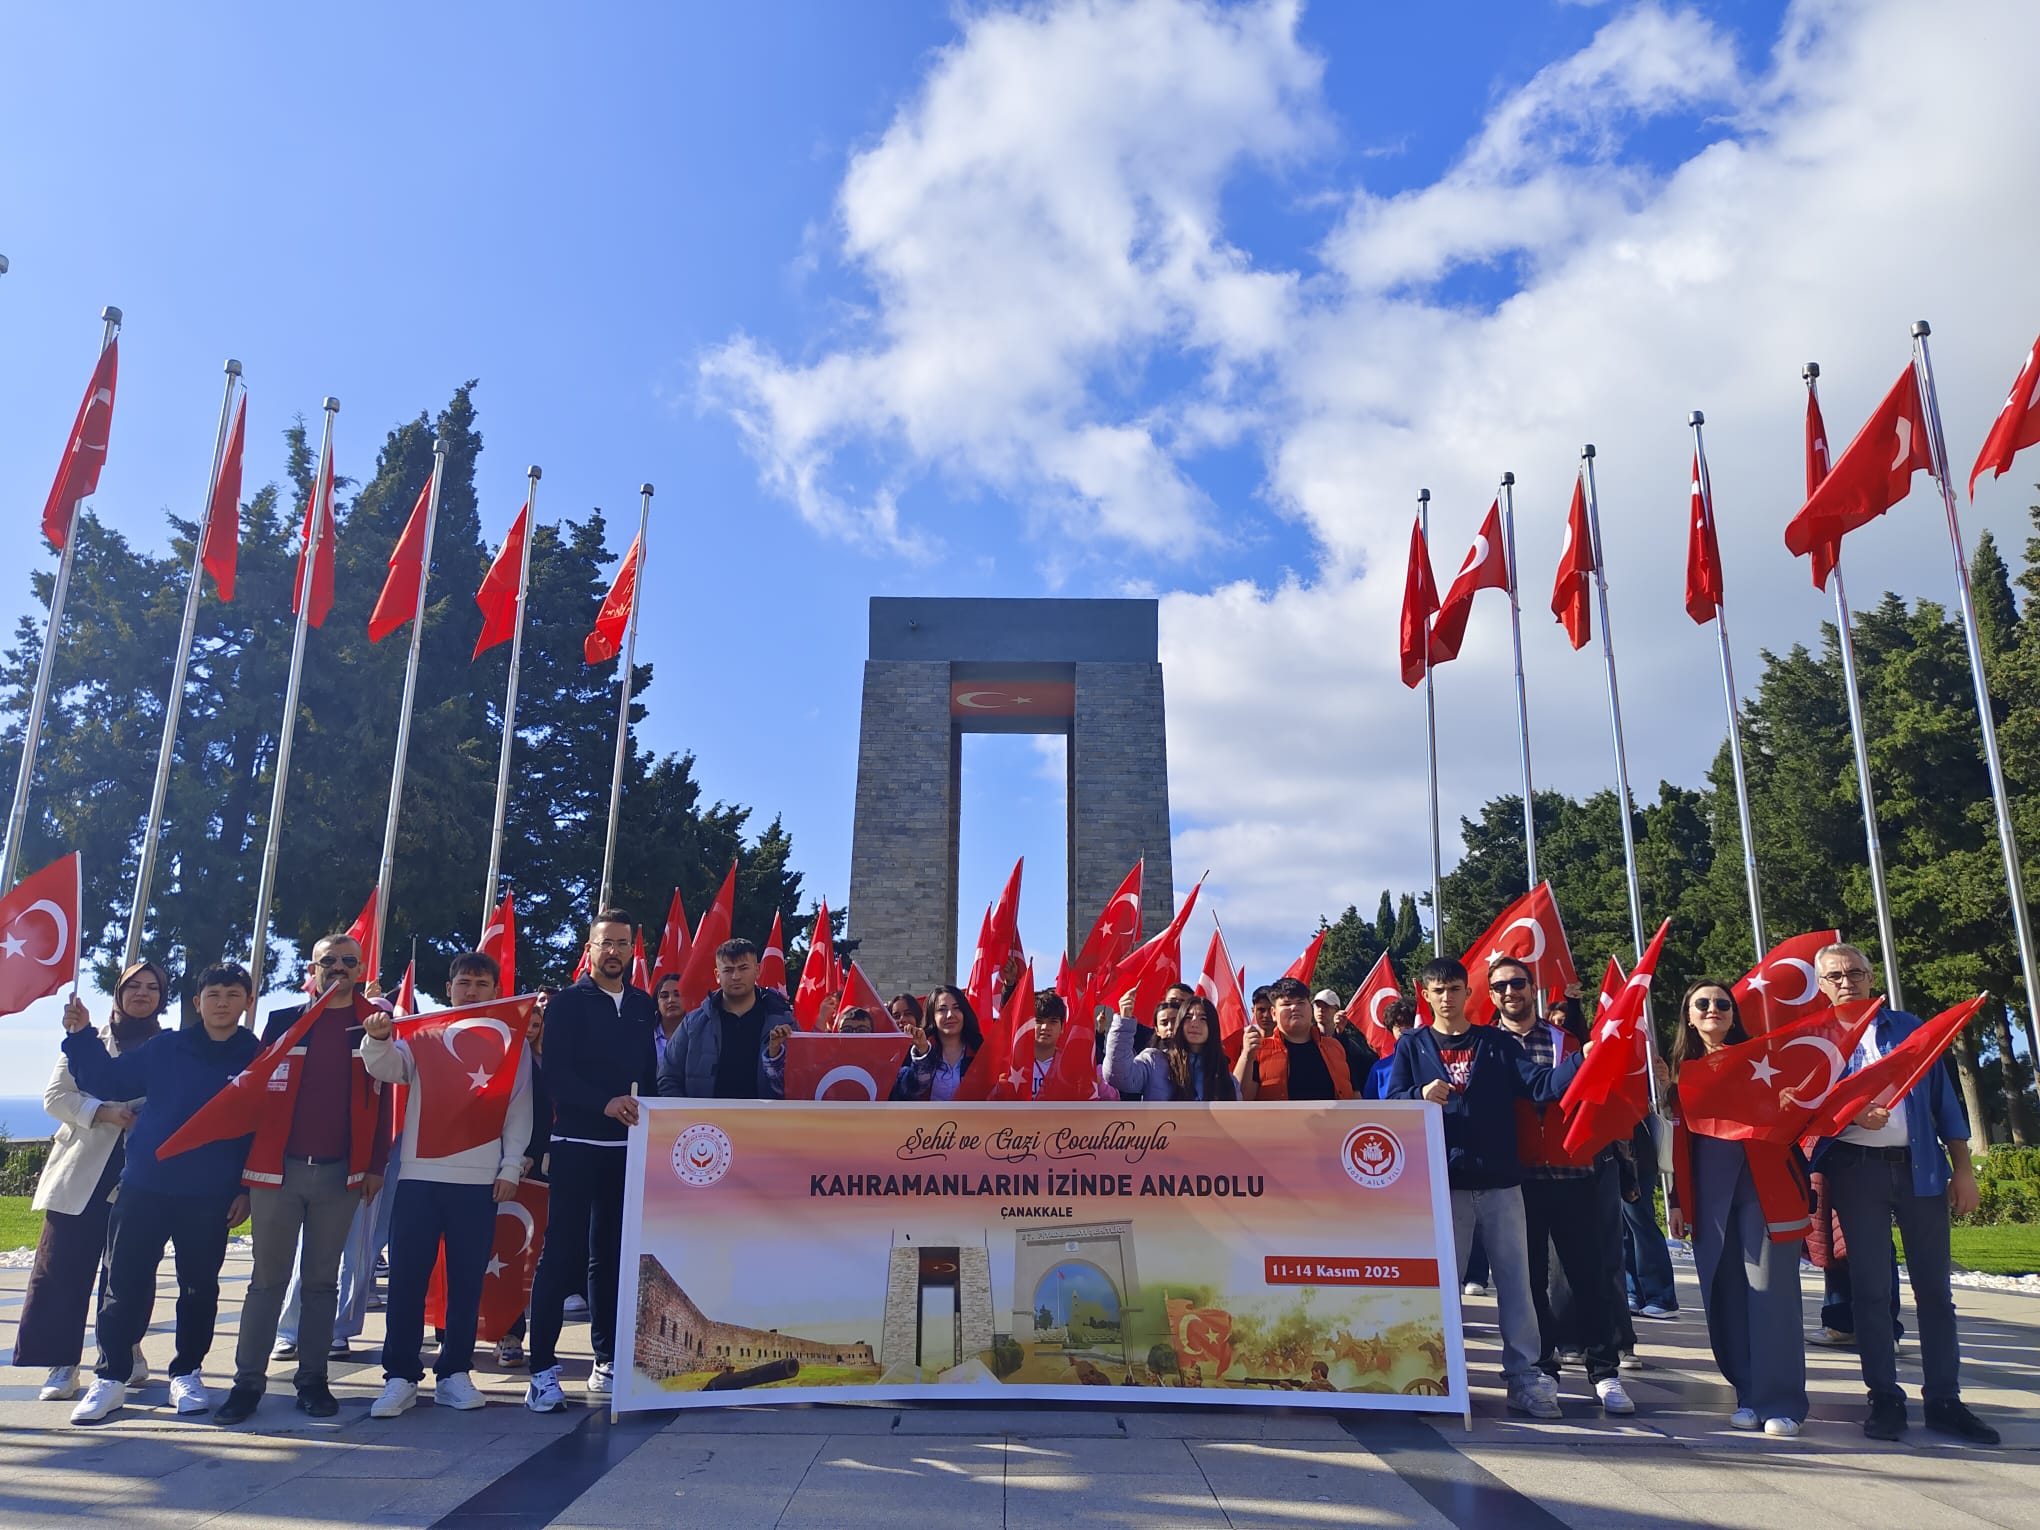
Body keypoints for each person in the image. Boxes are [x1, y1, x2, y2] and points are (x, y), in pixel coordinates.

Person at [1805, 943, 1997, 1444]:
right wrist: (1850, 1113)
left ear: (1872, 977)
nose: (1847, 981)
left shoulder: (1909, 1028)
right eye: (1835, 975)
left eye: (1856, 972)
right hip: (1856, 1172)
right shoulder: (1815, 1039)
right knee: (1871, 1292)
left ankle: (1944, 1400)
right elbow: (1805, 1108)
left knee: (1935, 1292)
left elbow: (1943, 1101)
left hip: (1921, 1172)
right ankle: (1884, 1396)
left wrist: (1963, 1169)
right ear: (1821, 986)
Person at [1387, 958, 1589, 1419]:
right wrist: (1417, 1095)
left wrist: (1583, 1058)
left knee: (1517, 1287)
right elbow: (1389, 1101)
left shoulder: (1495, 1042)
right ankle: (1442, 1375)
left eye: (1454, 988)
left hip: (1501, 1182)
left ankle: (1524, 1378)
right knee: (1444, 1290)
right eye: (1437, 990)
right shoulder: (1413, 1045)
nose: (1446, 997)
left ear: (1467, 992)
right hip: (1443, 1185)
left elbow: (1540, 1085)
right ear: (1426, 994)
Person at [60, 964, 261, 1423]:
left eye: (233, 994)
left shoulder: (257, 1056)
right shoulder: (167, 1047)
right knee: (123, 1283)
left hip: (211, 1194)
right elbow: (109, 1082)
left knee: (199, 1288)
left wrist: (246, 1188)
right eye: (213, 994)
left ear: (248, 1002)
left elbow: (260, 1128)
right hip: (145, 1185)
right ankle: (110, 1377)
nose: (222, 1002)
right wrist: (80, 1035)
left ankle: (186, 1373)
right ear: (198, 1002)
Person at [217, 935, 393, 1426]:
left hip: (341, 1173)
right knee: (266, 1281)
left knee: (321, 1282)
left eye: (348, 961)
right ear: (312, 968)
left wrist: (376, 1165)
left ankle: (313, 1380)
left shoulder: (374, 1024)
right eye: (328, 961)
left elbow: (383, 1103)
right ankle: (245, 1383)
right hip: (278, 1170)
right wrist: (239, 1178)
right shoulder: (283, 1021)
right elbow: (251, 1097)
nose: (338, 967)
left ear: (360, 969)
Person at [360, 952, 531, 1418]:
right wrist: (377, 1040)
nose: (471, 990)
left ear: (496, 989)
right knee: (407, 1281)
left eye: (480, 983)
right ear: (449, 986)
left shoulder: (513, 1043)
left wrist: (510, 1166)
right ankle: (399, 1375)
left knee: (465, 1282)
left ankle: (455, 1371)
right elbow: (387, 1067)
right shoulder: (426, 1033)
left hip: (478, 1181)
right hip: (418, 1176)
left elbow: (520, 1108)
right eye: (463, 982)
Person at [16, 960, 169, 1403]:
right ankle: (62, 1362)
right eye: (133, 986)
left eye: (152, 987)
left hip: (143, 1171)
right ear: (118, 993)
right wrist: (102, 1112)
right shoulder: (85, 1040)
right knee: (60, 1268)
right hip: (82, 1170)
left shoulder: (171, 1047)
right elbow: (56, 1097)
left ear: (162, 996)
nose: (142, 993)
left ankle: (123, 1349)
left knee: (132, 1271)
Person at [524, 911, 657, 1414]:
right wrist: (602, 1103)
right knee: (561, 1255)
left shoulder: (643, 1005)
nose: (614, 952)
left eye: (623, 943)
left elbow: (651, 1074)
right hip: (577, 1145)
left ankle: (607, 1361)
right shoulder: (567, 1005)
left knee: (613, 1257)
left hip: (628, 1150)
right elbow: (555, 1074)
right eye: (606, 943)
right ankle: (542, 1372)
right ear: (590, 948)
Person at [1487, 959, 1631, 1413]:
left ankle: (1604, 1370)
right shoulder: (1487, 1047)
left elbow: (1606, 1094)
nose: (1510, 991)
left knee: (1590, 1275)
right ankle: (1543, 1367)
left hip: (1574, 1172)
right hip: (1517, 1177)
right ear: (1490, 995)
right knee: (1527, 1282)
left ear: (1534, 988)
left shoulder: (1568, 1041)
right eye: (1500, 986)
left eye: (1517, 983)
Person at [1664, 980, 1808, 1435]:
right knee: (1723, 1297)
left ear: (1733, 1013)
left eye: (1722, 1003)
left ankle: (1781, 1401)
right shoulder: (1675, 1073)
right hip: (1707, 1197)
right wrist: (1676, 1202)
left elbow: (1798, 1113)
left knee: (1769, 1294)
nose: (1713, 1009)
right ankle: (1747, 1392)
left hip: (1762, 1188)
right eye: (1701, 1004)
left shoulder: (1762, 1060)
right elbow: (1672, 1145)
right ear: (1688, 1015)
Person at [656, 939, 794, 1099]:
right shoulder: (693, 1024)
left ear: (757, 970)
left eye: (743, 968)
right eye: (728, 970)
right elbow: (668, 1077)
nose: (736, 976)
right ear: (717, 975)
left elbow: (802, 1079)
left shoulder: (784, 1022)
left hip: (767, 1122)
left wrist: (775, 1056)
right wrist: (688, 1117)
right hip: (707, 1122)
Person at [496, 996, 550, 1368]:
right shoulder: (499, 1058)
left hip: (536, 1170)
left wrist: (532, 1154)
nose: (529, 1025)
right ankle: (493, 1331)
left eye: (536, 1019)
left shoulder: (553, 1063)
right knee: (492, 1252)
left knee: (526, 1255)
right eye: (523, 1019)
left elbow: (545, 1114)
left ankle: (517, 1331)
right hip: (491, 1166)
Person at [1234, 977, 1354, 1101]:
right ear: (1274, 1013)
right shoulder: (1258, 1051)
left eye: (1301, 1002)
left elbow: (1355, 1099)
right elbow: (1239, 1100)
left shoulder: (1335, 1047)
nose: (1294, 1008)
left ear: (1310, 1009)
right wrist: (1246, 1057)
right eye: (1286, 1004)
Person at [1106, 995, 1238, 1102]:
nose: (1195, 1023)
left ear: (1213, 1027)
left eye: (1203, 1018)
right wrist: (1124, 1022)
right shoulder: (1154, 1061)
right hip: (1161, 1135)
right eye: (1188, 1017)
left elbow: (1237, 1124)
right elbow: (1119, 1077)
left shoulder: (1226, 1078)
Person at [1622, 1118, 1679, 1319]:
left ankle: (1662, 1297)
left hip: (1635, 1157)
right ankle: (1633, 1292)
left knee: (1641, 1224)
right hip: (1621, 1155)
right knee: (1624, 1229)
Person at [891, 986, 981, 1101]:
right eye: (942, 1010)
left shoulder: (980, 1052)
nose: (950, 1015)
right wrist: (923, 1054)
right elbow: (909, 1090)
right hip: (924, 1119)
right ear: (932, 1016)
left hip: (972, 1119)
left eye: (956, 1008)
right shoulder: (914, 1052)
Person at [1361, 1000, 1415, 1100]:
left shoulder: (1431, 1062)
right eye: (1398, 1027)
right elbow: (1369, 1106)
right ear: (1392, 1030)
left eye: (1408, 1026)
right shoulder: (1380, 1069)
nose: (1404, 1031)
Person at [1025, 993, 1066, 1097]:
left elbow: (1112, 1097)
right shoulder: (1014, 1064)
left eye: (1053, 1022)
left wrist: (1099, 1084)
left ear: (1062, 1028)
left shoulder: (1071, 1064)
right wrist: (1000, 1088)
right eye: (1038, 1021)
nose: (1045, 1027)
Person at [651, 972, 687, 1072]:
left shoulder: (699, 1033)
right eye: (664, 996)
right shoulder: (646, 1036)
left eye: (677, 994)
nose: (671, 1000)